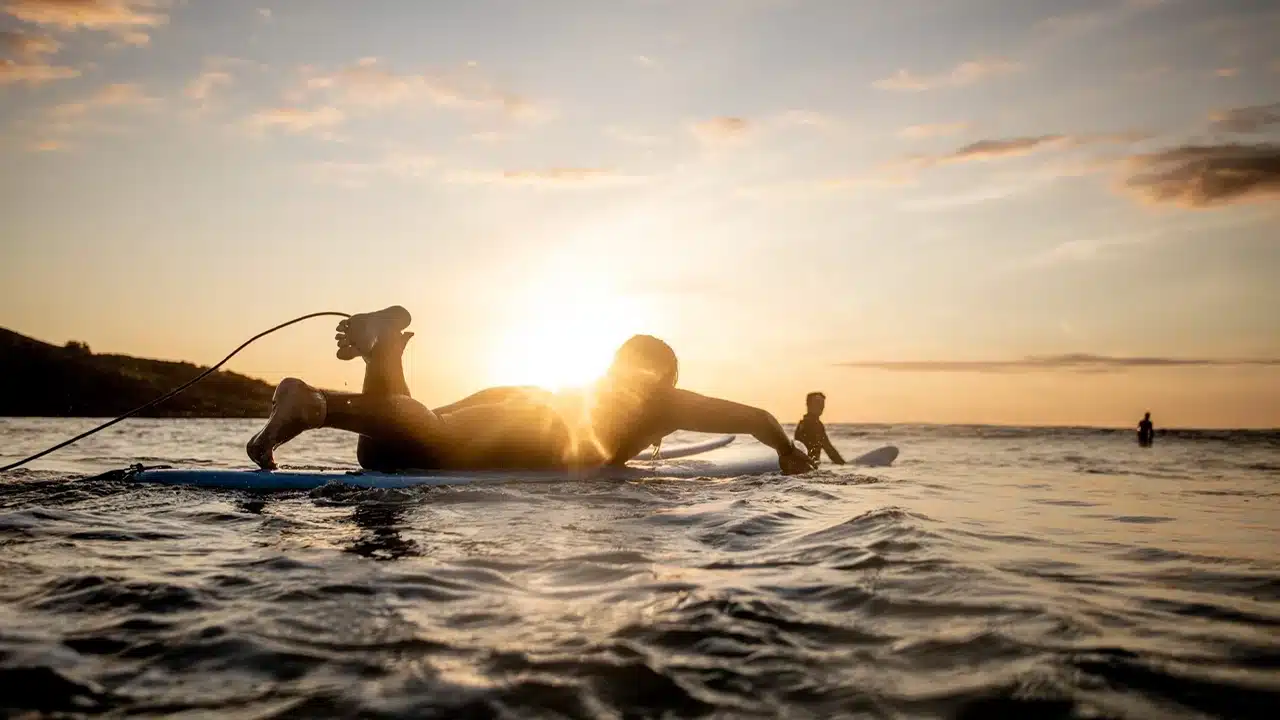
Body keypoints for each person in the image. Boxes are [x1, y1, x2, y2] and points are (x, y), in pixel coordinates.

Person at [247, 306, 815, 475]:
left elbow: (489, 399)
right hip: (534, 433)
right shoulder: (663, 399)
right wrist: (787, 452)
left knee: (382, 451)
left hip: (508, 407)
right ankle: (320, 405)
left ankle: (386, 352)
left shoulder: (586, 385)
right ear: (663, 375)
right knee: (427, 438)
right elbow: (755, 415)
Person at [794, 391, 845, 466]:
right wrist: (844, 465)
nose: (821, 406)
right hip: (807, 468)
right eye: (817, 403)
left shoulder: (803, 423)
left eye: (822, 403)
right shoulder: (813, 424)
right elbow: (828, 449)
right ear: (809, 405)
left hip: (805, 466)